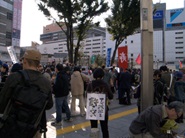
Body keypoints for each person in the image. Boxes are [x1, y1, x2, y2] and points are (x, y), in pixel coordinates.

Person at [0, 49, 53, 138]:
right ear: (38, 63)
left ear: (24, 61)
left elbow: (1, 105)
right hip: (32, 129)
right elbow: (49, 105)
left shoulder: (14, 77)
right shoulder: (46, 82)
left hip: (11, 127)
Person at [86, 68, 113, 138]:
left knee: (94, 128)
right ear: (102, 75)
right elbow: (111, 96)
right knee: (105, 129)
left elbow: (87, 95)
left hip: (93, 109)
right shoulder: (105, 84)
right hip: (103, 109)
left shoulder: (90, 84)